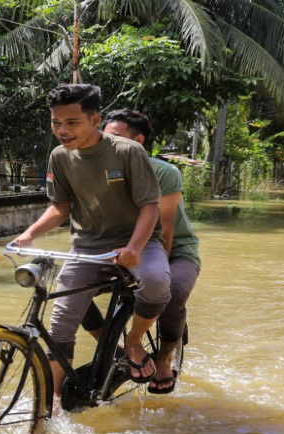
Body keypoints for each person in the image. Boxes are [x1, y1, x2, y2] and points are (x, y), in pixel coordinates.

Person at [13, 84, 171, 397]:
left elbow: (149, 208)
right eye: (56, 122)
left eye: (72, 122)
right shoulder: (59, 157)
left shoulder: (128, 151)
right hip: (87, 247)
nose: (62, 130)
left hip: (136, 243)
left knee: (155, 282)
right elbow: (61, 207)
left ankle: (135, 340)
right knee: (59, 324)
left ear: (94, 119)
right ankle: (51, 408)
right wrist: (30, 234)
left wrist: (134, 249)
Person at [81, 109, 201, 394]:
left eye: (116, 138)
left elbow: (166, 232)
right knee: (71, 285)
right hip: (121, 248)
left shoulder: (164, 172)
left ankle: (164, 356)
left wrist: (153, 269)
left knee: (172, 290)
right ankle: (115, 346)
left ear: (139, 141)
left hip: (173, 250)